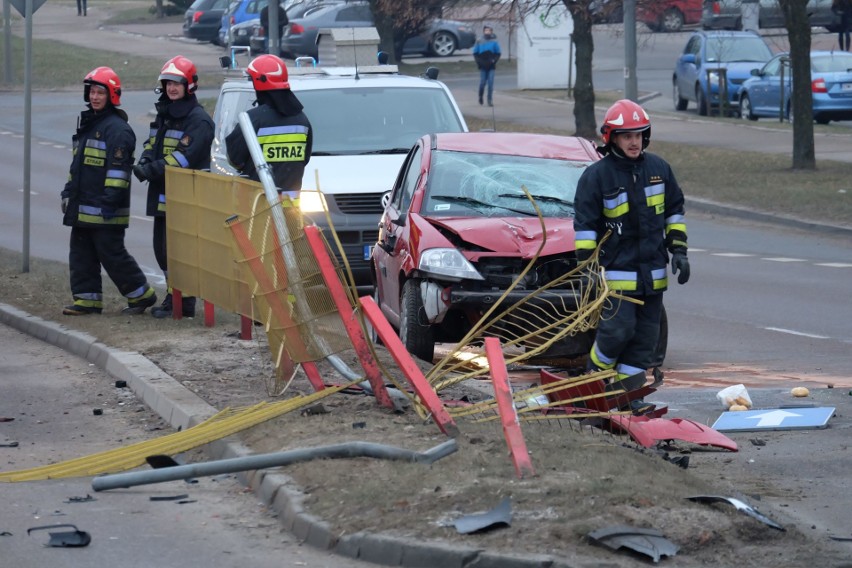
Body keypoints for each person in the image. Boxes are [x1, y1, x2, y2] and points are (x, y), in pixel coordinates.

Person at [573, 99, 689, 409]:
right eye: (627, 136)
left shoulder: (659, 170)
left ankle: (627, 399)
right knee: (616, 333)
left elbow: (674, 213)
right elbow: (585, 228)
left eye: (639, 134)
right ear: (611, 138)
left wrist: (679, 251)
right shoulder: (596, 177)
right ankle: (591, 384)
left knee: (644, 343)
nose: (634, 141)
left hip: (653, 277)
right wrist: (585, 271)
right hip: (615, 276)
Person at [61, 67, 157, 316]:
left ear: (111, 95)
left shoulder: (118, 130)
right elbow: (77, 167)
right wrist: (67, 192)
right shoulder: (89, 124)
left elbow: (118, 173)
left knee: (112, 255)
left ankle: (142, 295)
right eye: (91, 91)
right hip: (83, 206)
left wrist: (108, 204)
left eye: (99, 92)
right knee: (81, 254)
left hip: (106, 209)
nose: (94, 97)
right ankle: (87, 301)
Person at [132, 56, 214, 319]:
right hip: (163, 195)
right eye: (168, 83)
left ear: (189, 85)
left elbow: (183, 157)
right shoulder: (165, 113)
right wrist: (145, 158)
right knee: (163, 251)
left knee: (181, 253)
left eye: (177, 83)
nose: (172, 88)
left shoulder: (198, 120)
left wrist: (151, 170)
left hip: (186, 198)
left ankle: (185, 303)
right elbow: (152, 143)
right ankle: (174, 296)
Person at [225, 54, 312, 199]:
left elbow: (234, 158)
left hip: (258, 204)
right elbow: (305, 158)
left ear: (259, 82)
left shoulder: (252, 119)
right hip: (291, 205)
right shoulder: (302, 119)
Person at [472, 25, 501, 107]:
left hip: (491, 65)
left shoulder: (494, 41)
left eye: (489, 31)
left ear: (491, 32)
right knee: (482, 83)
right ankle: (480, 96)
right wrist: (479, 62)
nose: (487, 32)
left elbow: (498, 53)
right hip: (483, 65)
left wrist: (494, 60)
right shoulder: (479, 41)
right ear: (483, 31)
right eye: (486, 31)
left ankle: (489, 99)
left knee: (491, 83)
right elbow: (475, 53)